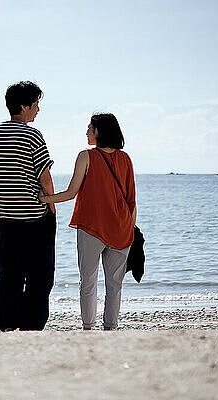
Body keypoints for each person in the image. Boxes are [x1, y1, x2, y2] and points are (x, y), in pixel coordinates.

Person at [0, 81, 57, 331]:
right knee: (40, 273)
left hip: (6, 216)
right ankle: (32, 324)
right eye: (36, 105)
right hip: (34, 215)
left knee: (10, 273)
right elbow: (45, 175)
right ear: (24, 106)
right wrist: (51, 202)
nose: (38, 110)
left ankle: (7, 322)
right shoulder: (32, 135)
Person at [39, 113, 136, 330]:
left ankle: (88, 327)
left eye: (89, 128)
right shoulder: (126, 159)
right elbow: (131, 201)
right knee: (115, 284)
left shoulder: (86, 156)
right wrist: (132, 230)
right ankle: (110, 327)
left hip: (91, 227)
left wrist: (45, 199)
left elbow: (71, 193)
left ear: (99, 131)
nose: (86, 132)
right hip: (122, 230)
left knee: (88, 282)